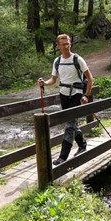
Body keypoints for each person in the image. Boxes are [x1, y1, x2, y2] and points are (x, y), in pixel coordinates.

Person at [38, 34, 94, 165]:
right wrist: (44, 83)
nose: (66, 46)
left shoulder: (78, 59)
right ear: (58, 46)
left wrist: (86, 95)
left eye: (68, 43)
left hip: (76, 94)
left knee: (69, 126)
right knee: (71, 123)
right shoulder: (57, 61)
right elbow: (53, 79)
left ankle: (63, 157)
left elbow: (90, 79)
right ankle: (82, 145)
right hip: (63, 95)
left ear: (70, 44)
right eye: (63, 44)